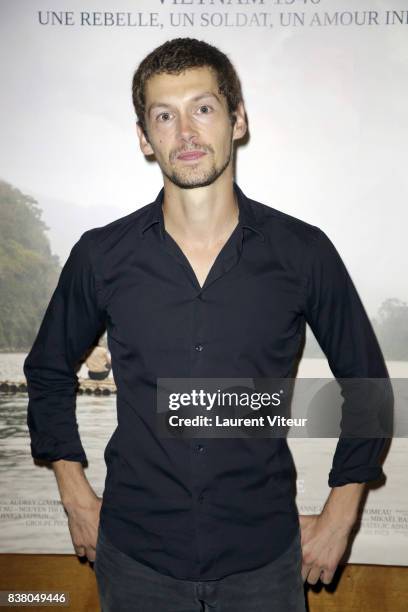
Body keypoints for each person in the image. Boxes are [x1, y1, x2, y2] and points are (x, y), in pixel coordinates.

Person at [24, 37, 389, 611]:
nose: (186, 133)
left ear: (237, 120)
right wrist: (74, 495)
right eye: (164, 115)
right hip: (135, 558)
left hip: (264, 562)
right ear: (145, 138)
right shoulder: (101, 256)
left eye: (204, 108)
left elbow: (368, 386)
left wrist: (341, 515)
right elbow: (46, 371)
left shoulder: (303, 252)